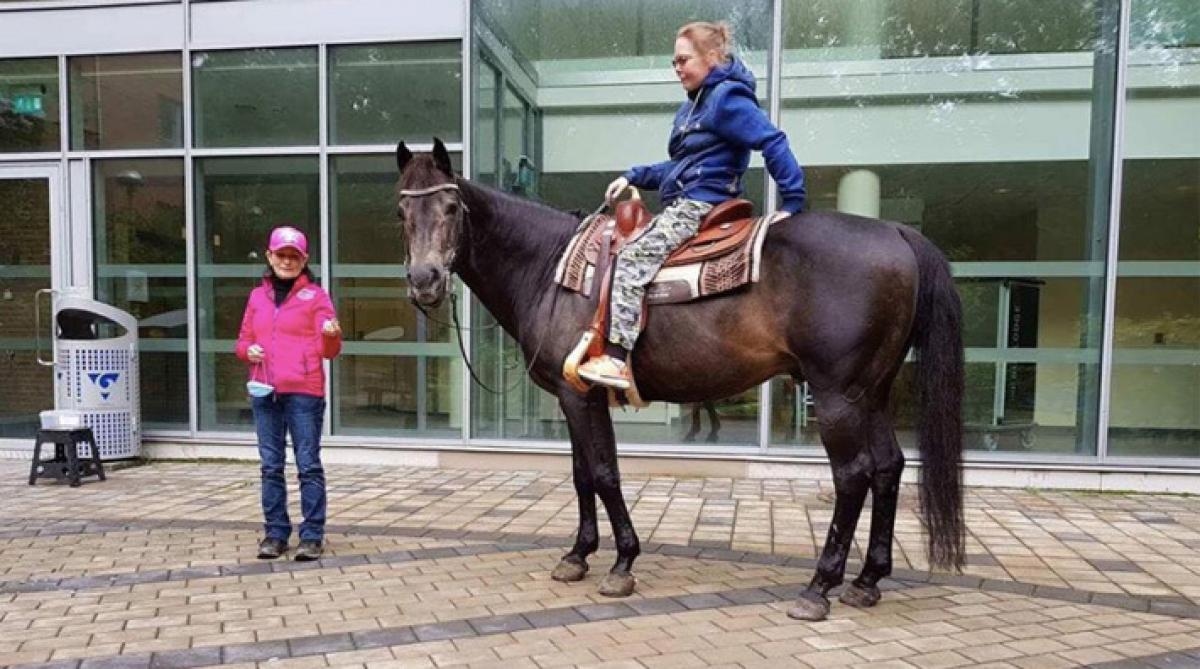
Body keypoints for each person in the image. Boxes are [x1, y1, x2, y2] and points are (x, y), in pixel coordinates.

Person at [577, 21, 807, 390]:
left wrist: (793, 200)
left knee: (634, 257)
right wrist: (634, 176)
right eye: (674, 62)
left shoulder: (726, 98)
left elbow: (772, 141)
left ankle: (617, 358)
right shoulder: (692, 107)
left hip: (700, 204)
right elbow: (678, 167)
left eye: (684, 60)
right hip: (683, 199)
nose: (678, 68)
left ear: (713, 57)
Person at [236, 225, 342, 561]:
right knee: (270, 466)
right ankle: (275, 534)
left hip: (304, 394)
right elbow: (242, 341)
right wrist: (247, 351)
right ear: (269, 256)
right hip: (265, 392)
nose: (286, 261)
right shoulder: (257, 297)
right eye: (281, 255)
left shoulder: (317, 297)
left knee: (308, 465)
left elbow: (331, 350)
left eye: (293, 256)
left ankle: (311, 535)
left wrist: (331, 334)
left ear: (304, 260)